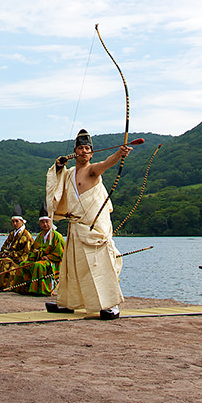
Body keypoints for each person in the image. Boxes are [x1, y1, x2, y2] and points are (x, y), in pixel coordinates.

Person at [45, 129, 130, 319]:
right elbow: (56, 186)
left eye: (87, 149)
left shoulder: (92, 171)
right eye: (80, 148)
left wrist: (119, 154)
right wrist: (58, 167)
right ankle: (69, 303)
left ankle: (110, 305)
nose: (84, 151)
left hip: (93, 227)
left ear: (91, 153)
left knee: (99, 265)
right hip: (76, 226)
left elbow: (105, 164)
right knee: (73, 267)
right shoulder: (68, 174)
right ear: (75, 152)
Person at [0, 204, 35, 292]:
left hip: (18, 260)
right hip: (9, 257)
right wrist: (4, 252)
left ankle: (2, 285)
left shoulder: (26, 235)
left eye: (16, 221)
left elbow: (26, 252)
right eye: (13, 222)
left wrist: (11, 255)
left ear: (22, 221)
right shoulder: (12, 234)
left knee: (5, 262)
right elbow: (5, 246)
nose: (14, 224)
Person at [21, 205, 65, 296]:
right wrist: (33, 257)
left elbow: (60, 253)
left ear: (51, 222)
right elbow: (33, 249)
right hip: (41, 259)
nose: (45, 224)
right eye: (42, 222)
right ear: (39, 224)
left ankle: (42, 290)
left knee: (38, 265)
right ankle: (25, 288)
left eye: (47, 222)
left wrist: (48, 257)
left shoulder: (56, 236)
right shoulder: (40, 236)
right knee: (24, 264)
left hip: (53, 262)